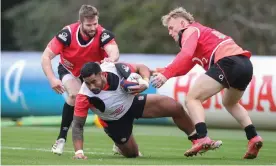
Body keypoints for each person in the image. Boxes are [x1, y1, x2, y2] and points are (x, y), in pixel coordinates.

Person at [151, 7, 263, 159]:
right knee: (230, 103)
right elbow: (184, 65)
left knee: (192, 98)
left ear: (183, 23)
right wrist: (165, 71)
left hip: (228, 62)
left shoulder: (189, 31)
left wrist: (166, 75)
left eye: (171, 28)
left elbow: (185, 54)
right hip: (245, 65)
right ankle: (253, 137)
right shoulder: (199, 35)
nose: (170, 32)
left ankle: (202, 138)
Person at [71, 61, 222, 159]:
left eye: (93, 81)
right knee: (132, 155)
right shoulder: (84, 96)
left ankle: (198, 140)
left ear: (101, 74)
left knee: (174, 106)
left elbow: (141, 67)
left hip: (132, 103)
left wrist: (144, 81)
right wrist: (79, 152)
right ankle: (119, 145)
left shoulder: (114, 68)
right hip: (114, 120)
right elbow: (78, 125)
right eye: (87, 83)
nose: (91, 86)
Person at [41, 4, 119, 155]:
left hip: (92, 74)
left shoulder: (102, 34)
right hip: (69, 70)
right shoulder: (67, 33)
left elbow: (113, 50)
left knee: (106, 104)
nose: (93, 28)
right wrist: (52, 80)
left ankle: (118, 142)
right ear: (80, 23)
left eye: (95, 24)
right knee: (75, 95)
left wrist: (111, 59)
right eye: (89, 25)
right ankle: (61, 138)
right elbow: (46, 57)